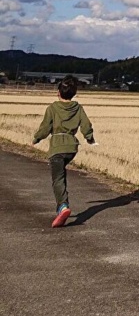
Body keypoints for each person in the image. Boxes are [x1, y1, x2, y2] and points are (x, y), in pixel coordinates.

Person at [32, 75, 96, 228]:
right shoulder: (78, 108)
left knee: (57, 179)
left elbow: (45, 128)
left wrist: (36, 139)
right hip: (71, 148)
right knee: (61, 175)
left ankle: (63, 206)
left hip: (57, 148)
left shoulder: (53, 108)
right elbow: (86, 125)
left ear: (58, 92)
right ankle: (62, 205)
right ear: (74, 93)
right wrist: (90, 138)